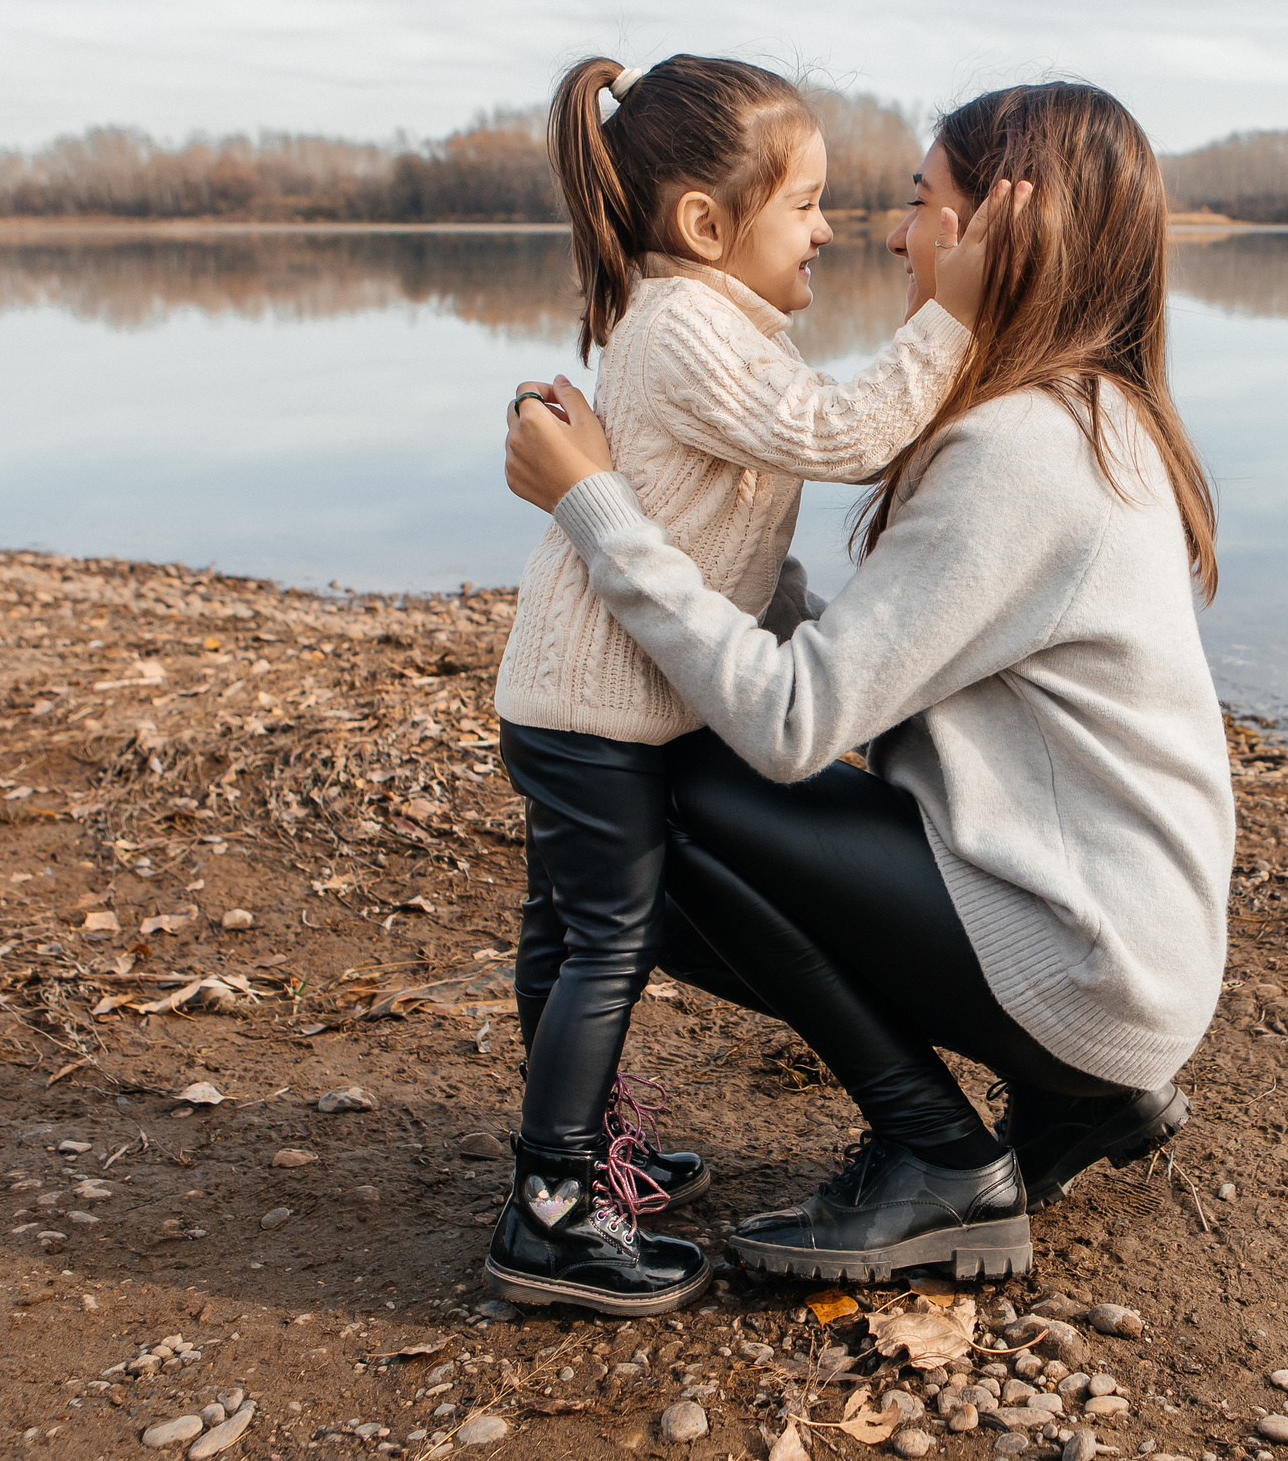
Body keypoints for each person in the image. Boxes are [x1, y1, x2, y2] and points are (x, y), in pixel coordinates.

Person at [502, 81, 1234, 1283]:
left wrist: (596, 507)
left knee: (663, 788)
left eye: (919, 204)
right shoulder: (1083, 412)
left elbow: (795, 722)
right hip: (1120, 947)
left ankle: (935, 1152)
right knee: (662, 777)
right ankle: (1077, 1102)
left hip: (1090, 963)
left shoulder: (1018, 448)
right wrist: (739, 569)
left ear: (1005, 233)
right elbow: (894, 659)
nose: (891, 236)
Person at [483, 54, 980, 1316]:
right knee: (605, 945)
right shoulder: (691, 330)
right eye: (805, 205)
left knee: (570, 935)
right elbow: (845, 435)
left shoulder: (704, 327)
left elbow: (742, 542)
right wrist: (957, 316)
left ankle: (585, 1156)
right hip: (594, 718)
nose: (830, 230)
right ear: (707, 226)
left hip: (580, 706)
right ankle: (549, 1212)